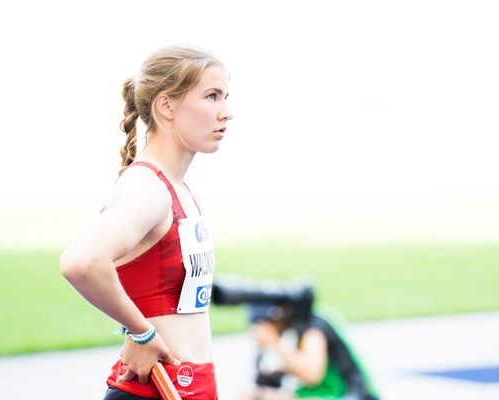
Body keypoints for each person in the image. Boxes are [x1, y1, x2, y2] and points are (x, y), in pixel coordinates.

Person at [60, 44, 233, 400]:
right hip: (153, 390)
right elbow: (81, 262)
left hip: (189, 387)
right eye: (212, 97)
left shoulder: (180, 189)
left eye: (225, 97)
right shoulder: (148, 188)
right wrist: (142, 333)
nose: (226, 112)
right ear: (166, 106)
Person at [212, 277, 380, 400]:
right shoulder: (302, 326)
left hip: (350, 394)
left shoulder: (313, 327)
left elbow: (312, 374)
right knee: (248, 395)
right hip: (324, 393)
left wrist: (274, 343)